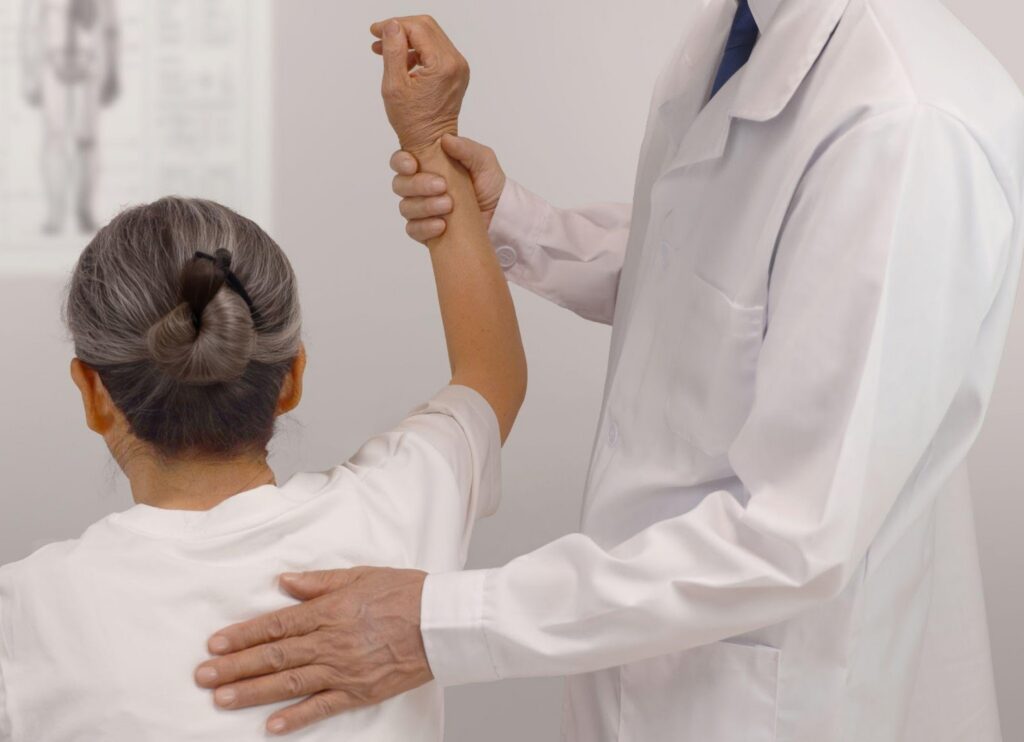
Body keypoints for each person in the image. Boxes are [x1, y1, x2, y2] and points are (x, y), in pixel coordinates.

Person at [196, 4, 1024, 741]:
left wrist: (436, 623)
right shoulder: (734, 34)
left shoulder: (904, 125)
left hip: (777, 691)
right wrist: (514, 221)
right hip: (660, 655)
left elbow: (796, 536)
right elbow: (715, 273)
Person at [0, 19, 525, 739]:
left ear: (93, 394)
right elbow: (492, 373)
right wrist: (430, 136)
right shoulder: (398, 510)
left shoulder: (28, 613)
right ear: (291, 378)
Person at [20, 0, 120, 235]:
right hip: (52, 64)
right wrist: (30, 72)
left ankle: (84, 211)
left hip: (90, 64)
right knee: (54, 139)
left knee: (87, 142)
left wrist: (112, 72)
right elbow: (31, 26)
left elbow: (110, 28)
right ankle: (55, 212)